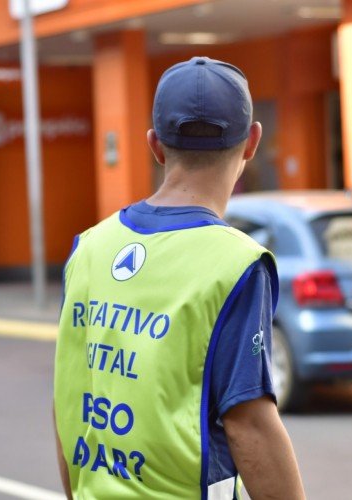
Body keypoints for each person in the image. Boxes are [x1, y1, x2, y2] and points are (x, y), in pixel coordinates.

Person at [53, 57, 305, 499]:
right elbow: (250, 425)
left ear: (155, 145)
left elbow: (70, 398)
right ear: (251, 142)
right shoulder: (237, 264)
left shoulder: (89, 248)